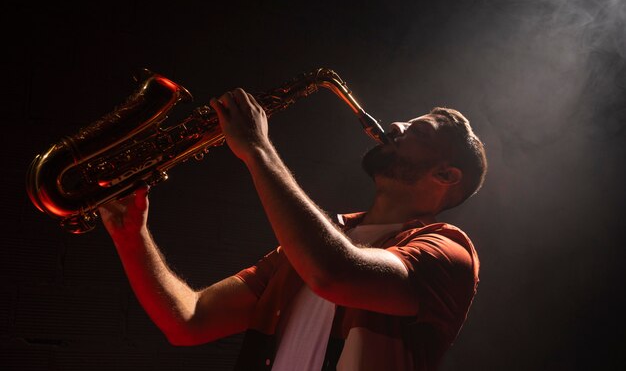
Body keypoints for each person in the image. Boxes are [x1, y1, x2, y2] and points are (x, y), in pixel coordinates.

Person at [99, 88, 487, 370]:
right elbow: (190, 320)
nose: (395, 125)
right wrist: (131, 235)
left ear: (445, 174)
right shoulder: (311, 243)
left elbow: (334, 274)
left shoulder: (448, 249)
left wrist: (259, 150)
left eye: (418, 131)